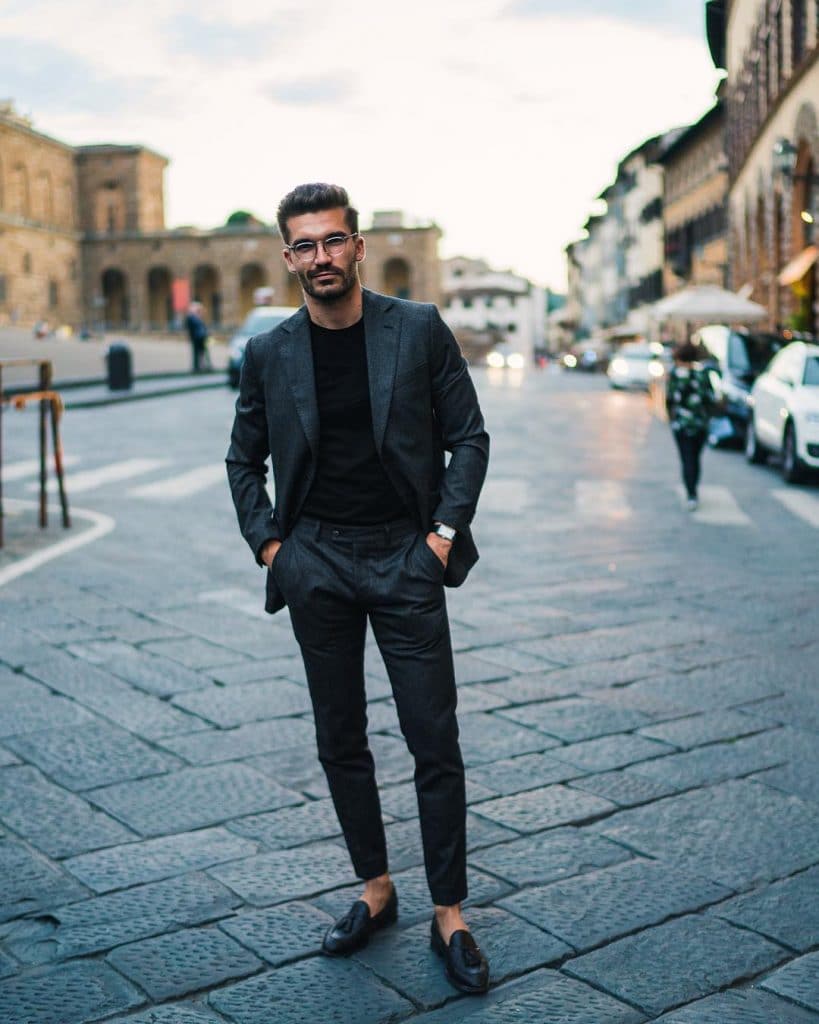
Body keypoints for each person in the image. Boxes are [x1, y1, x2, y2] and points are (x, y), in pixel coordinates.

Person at [226, 183, 491, 995]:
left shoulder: (413, 329)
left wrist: (439, 538)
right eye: (303, 246)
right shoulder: (270, 352)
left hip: (405, 559)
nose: (320, 258)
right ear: (286, 257)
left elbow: (469, 438)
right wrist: (275, 547)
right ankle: (376, 891)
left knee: (431, 737)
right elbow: (243, 460)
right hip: (318, 565)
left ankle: (450, 910)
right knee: (338, 737)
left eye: (332, 241)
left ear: (358, 245)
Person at [665, 339, 717, 510]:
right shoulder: (703, 375)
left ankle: (691, 493)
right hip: (700, 425)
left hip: (681, 425)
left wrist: (672, 418)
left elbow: (669, 400)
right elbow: (710, 399)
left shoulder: (674, 375)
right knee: (694, 458)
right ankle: (693, 490)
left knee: (686, 459)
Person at [184, 301, 209, 372]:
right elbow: (191, 328)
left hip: (202, 337)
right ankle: (197, 367)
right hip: (196, 338)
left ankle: (203, 365)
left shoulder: (197, 317)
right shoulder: (191, 317)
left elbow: (203, 327)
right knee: (196, 352)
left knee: (203, 352)